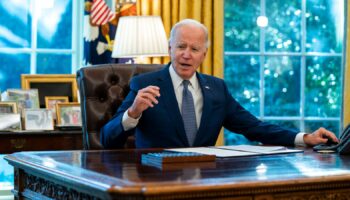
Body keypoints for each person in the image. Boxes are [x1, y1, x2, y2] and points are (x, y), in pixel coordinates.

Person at [101, 19, 339, 149]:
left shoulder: (217, 89)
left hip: (206, 180)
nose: (187, 55)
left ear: (204, 55)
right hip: (154, 181)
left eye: (194, 49)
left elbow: (254, 127)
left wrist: (304, 137)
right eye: (181, 47)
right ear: (170, 48)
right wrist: (133, 113)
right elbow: (107, 139)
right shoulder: (144, 84)